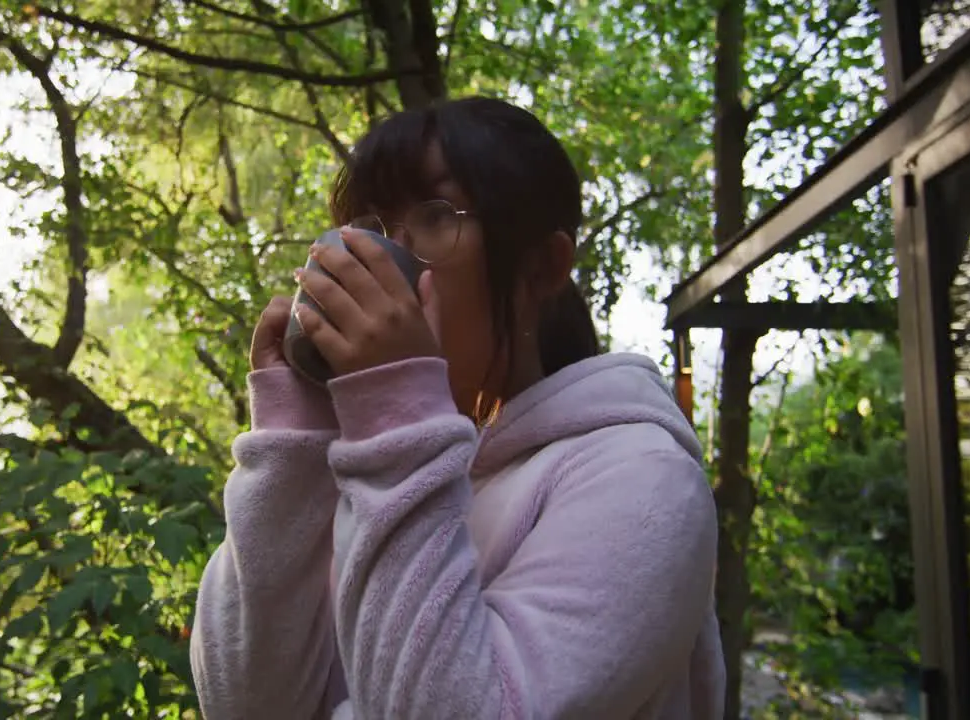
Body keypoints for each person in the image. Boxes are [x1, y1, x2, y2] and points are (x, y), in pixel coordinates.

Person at [189, 96, 725, 719]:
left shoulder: (643, 476)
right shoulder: (386, 473)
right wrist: (293, 447)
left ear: (541, 266)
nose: (380, 264)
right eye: (372, 229)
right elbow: (247, 706)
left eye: (435, 217)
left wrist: (396, 412)